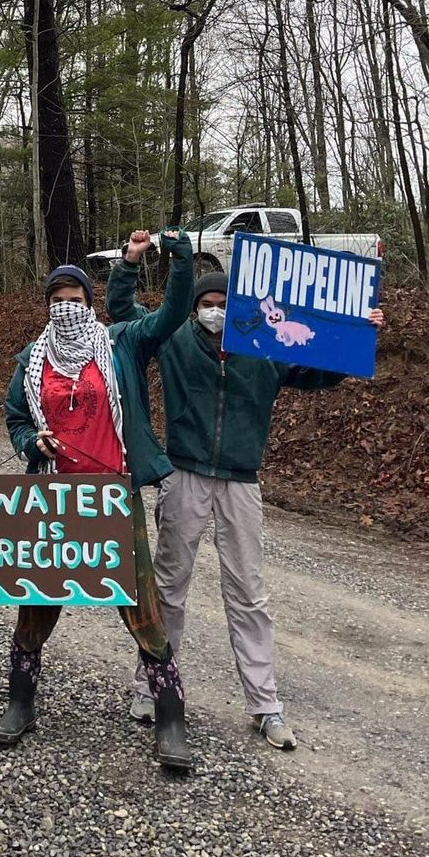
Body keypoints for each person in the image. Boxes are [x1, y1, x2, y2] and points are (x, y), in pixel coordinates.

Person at [113, 270, 385, 750]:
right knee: (169, 587)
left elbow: (318, 368)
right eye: (207, 302)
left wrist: (360, 331)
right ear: (195, 306)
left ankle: (265, 705)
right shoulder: (174, 338)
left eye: (223, 302)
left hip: (241, 479)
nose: (214, 310)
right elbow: (127, 317)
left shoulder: (265, 343)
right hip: (182, 474)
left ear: (237, 306)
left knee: (248, 595)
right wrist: (130, 267)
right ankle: (150, 687)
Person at [0, 229, 195, 770]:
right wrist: (30, 441)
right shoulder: (33, 359)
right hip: (55, 497)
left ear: (90, 302)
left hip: (113, 492)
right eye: (56, 301)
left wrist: (174, 260)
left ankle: (171, 719)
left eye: (74, 300)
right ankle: (20, 702)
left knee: (141, 607)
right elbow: (15, 416)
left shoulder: (121, 341)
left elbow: (173, 313)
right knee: (36, 601)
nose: (65, 309)